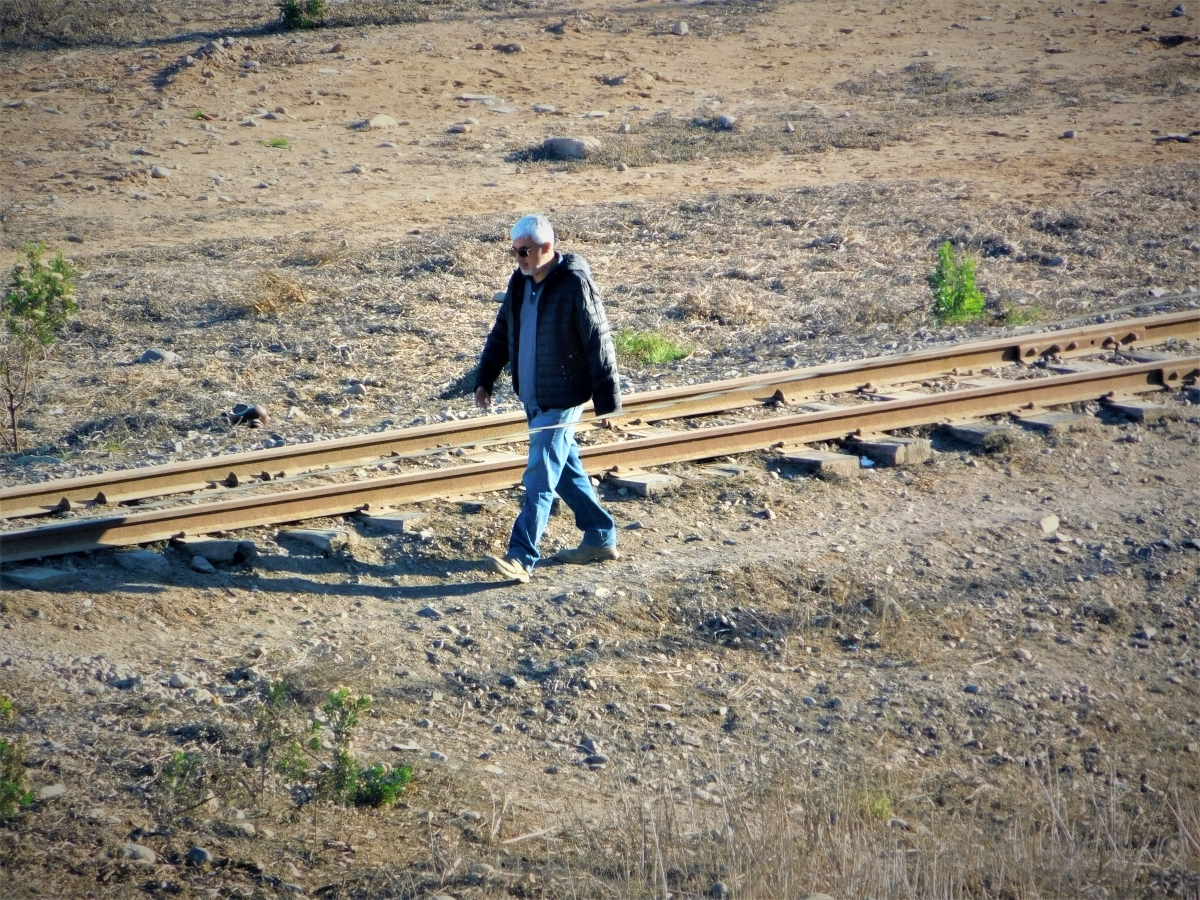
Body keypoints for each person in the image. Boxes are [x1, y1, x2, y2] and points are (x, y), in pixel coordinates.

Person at [474, 214, 622, 583]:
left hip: (563, 396)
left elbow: (598, 342)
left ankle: (521, 557)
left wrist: (607, 403)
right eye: (514, 252)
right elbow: (502, 331)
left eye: (524, 251)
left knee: (539, 475)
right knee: (565, 471)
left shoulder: (574, 283)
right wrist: (485, 379)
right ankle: (600, 537)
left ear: (546, 248)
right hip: (534, 397)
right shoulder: (520, 282)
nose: (519, 258)